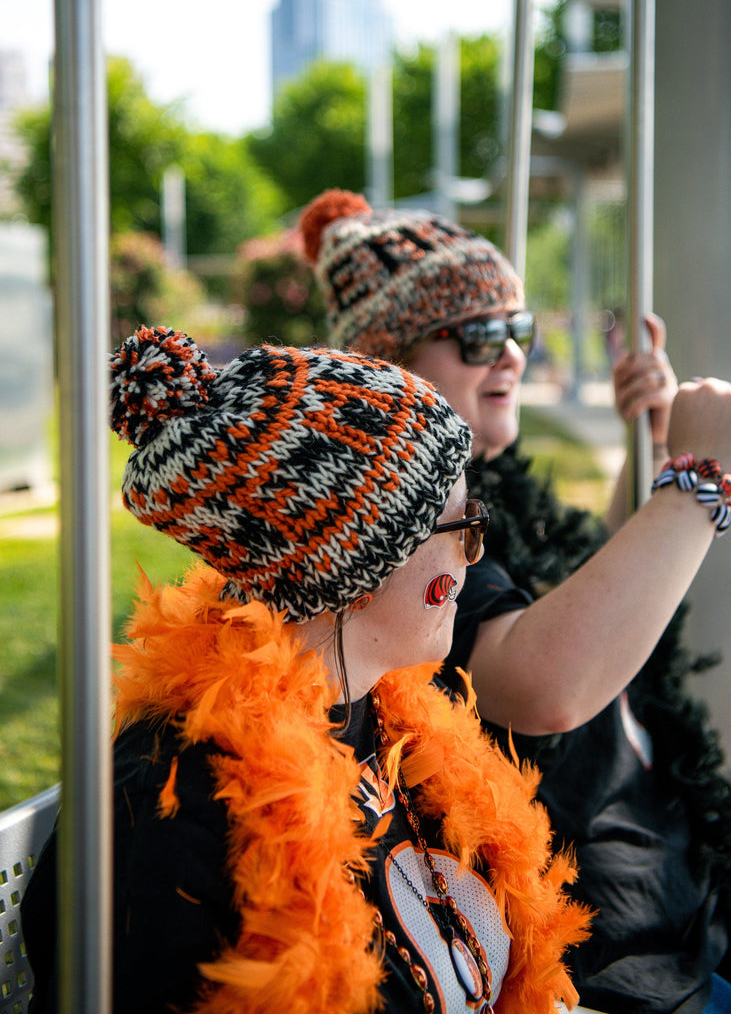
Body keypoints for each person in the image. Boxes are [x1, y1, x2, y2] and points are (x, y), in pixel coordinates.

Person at [21, 325, 592, 1014]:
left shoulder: (394, 716)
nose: (474, 556)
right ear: (351, 571)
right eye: (461, 527)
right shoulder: (166, 815)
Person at [299, 188, 731, 1014]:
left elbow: (579, 589)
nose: (510, 357)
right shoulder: (406, 525)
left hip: (678, 911)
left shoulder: (489, 495)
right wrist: (694, 485)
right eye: (476, 334)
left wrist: (645, 443)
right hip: (599, 963)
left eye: (517, 330)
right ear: (388, 364)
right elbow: (540, 684)